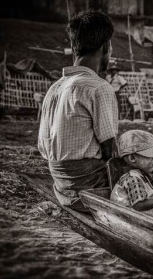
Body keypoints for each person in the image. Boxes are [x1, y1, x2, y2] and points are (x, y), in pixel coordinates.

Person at [38, 11, 118, 212]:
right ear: (106, 47)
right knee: (146, 167)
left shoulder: (55, 88)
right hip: (89, 188)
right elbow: (110, 152)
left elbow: (43, 149)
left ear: (74, 48)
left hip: (62, 187)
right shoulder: (98, 87)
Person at [110, 130, 153, 227]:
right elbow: (139, 205)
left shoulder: (139, 175)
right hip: (135, 223)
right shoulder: (133, 178)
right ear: (132, 158)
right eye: (151, 157)